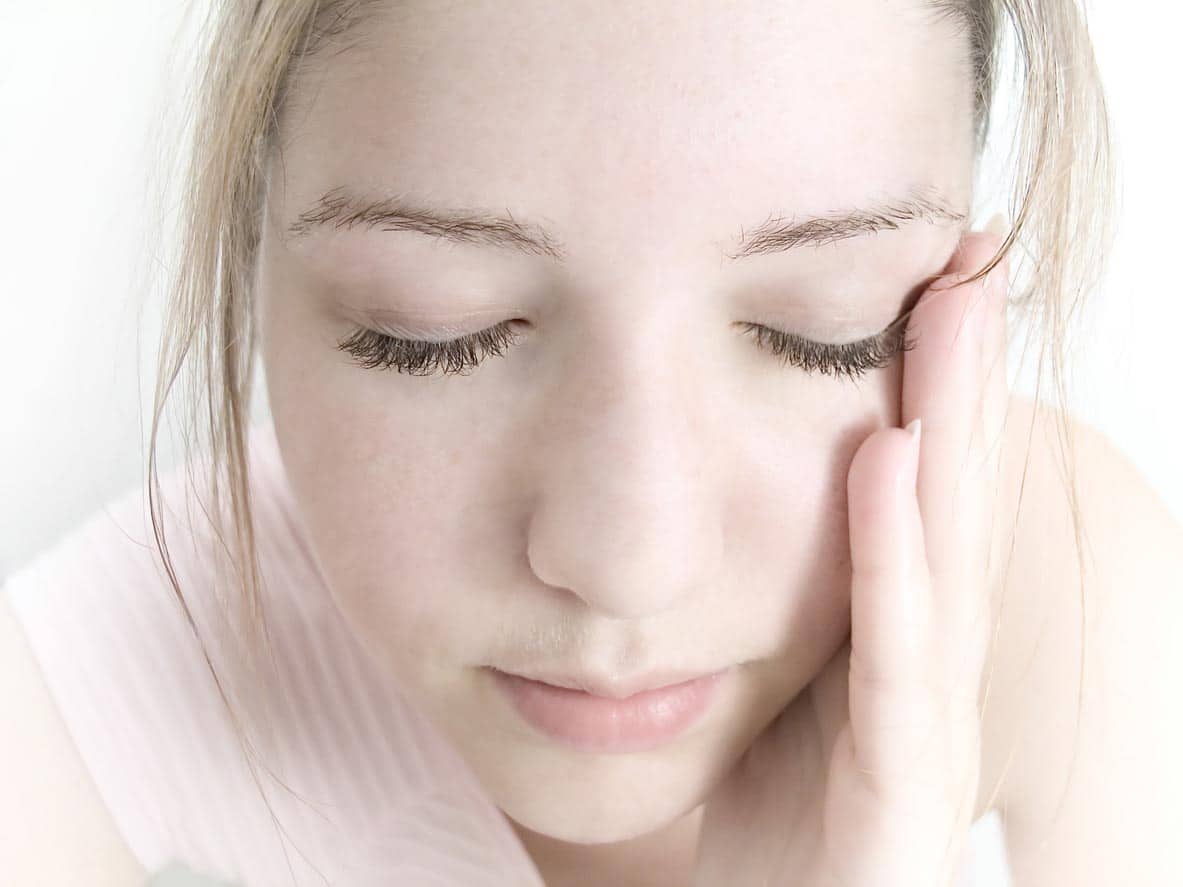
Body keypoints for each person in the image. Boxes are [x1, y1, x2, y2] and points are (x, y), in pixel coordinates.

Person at [3, 0, 1180, 885]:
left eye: (824, 331)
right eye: (434, 333)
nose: (629, 559)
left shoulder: (1070, 585)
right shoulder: (65, 697)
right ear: (258, 269)